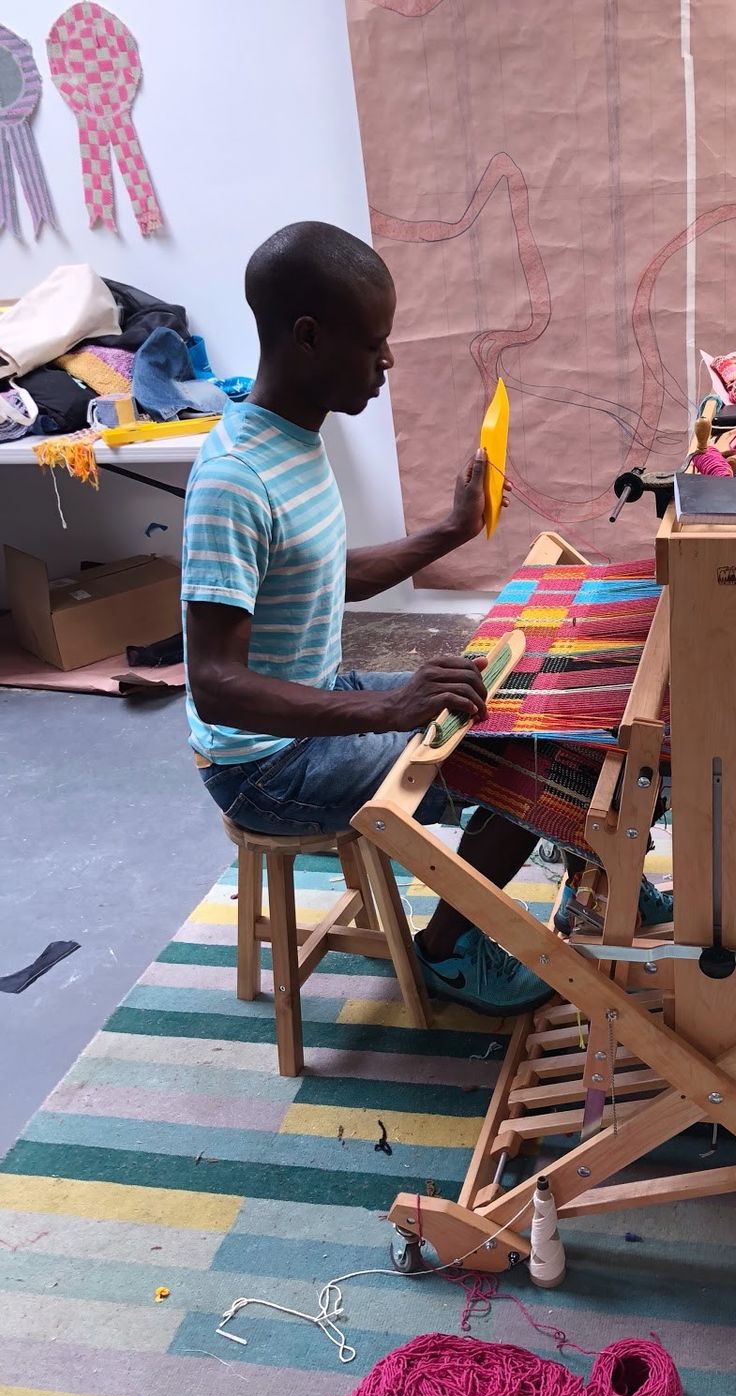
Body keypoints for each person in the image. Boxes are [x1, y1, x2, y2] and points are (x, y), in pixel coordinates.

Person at [182, 221, 557, 1015]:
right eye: (373, 343)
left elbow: (325, 576)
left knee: (523, 708)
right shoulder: (234, 479)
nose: (387, 361)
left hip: (314, 703)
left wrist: (449, 532)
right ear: (309, 338)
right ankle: (448, 951)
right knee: (529, 775)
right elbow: (215, 685)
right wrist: (386, 710)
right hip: (265, 767)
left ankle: (596, 883)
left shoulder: (293, 440)